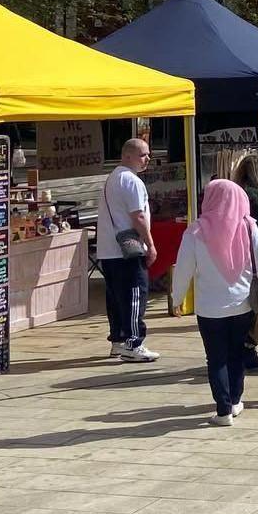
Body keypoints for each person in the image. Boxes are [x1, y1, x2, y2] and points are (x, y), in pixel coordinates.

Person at [172, 178, 258, 426]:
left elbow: (183, 268)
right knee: (236, 354)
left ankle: (223, 409)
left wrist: (177, 298)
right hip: (242, 304)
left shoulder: (196, 230)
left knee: (216, 358)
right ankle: (236, 400)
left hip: (209, 309)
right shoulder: (248, 226)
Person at [98, 139, 158, 363]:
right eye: (143, 155)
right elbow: (138, 216)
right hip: (127, 251)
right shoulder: (131, 181)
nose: (147, 159)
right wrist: (150, 245)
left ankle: (118, 341)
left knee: (115, 297)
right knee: (134, 295)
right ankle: (134, 342)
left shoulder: (112, 178)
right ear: (128, 155)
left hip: (109, 250)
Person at [231, 154, 258, 369]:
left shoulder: (235, 195)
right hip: (253, 259)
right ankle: (248, 350)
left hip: (234, 258)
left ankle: (237, 348)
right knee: (255, 307)